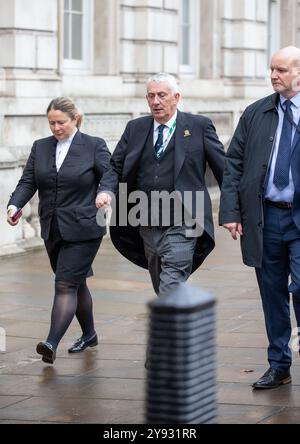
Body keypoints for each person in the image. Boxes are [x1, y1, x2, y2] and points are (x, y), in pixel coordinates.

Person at [96, 72, 224, 297]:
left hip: (184, 222)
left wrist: (235, 211)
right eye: (151, 96)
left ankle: (170, 329)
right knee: (161, 285)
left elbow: (224, 169)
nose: (156, 101)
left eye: (162, 95)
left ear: (176, 97)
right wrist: (106, 190)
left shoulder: (199, 126)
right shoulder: (135, 128)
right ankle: (183, 324)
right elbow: (115, 166)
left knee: (171, 286)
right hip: (145, 222)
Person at [7, 97, 111, 364]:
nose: (55, 128)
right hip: (52, 228)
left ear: (75, 119)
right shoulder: (40, 147)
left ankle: (50, 342)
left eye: (61, 122)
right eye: (51, 123)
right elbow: (28, 180)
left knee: (65, 284)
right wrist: (15, 205)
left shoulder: (94, 146)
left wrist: (104, 193)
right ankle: (89, 335)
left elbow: (110, 176)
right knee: (76, 283)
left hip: (85, 228)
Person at [219, 46, 300, 389]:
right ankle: (279, 364)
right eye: (271, 69)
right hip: (264, 218)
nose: (273, 75)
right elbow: (232, 164)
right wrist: (231, 211)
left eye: (281, 70)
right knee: (272, 293)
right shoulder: (256, 113)